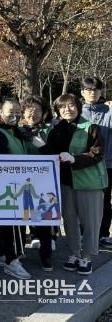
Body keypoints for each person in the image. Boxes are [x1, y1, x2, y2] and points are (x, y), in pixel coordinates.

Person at [40, 93, 107, 275]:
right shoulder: (56, 129)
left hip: (89, 183)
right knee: (69, 220)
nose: (67, 109)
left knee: (90, 222)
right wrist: (39, 144)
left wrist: (75, 159)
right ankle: (75, 253)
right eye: (62, 107)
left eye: (71, 105)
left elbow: (97, 153)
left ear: (78, 106)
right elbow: (51, 152)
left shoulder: (90, 127)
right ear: (57, 110)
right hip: (65, 182)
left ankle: (87, 257)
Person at [0, 98, 31, 279]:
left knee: (10, 224)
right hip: (7, 186)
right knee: (14, 225)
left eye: (17, 112)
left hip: (18, 184)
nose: (15, 115)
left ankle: (1, 254)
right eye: (10, 112)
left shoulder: (15, 131)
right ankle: (12, 261)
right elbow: (0, 163)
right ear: (0, 113)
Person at [19, 95, 55, 270]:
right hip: (20, 180)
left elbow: (56, 152)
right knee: (19, 217)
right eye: (29, 110)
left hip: (44, 180)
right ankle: (18, 252)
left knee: (43, 218)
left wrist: (43, 145)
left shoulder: (50, 129)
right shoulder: (17, 129)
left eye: (37, 110)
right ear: (23, 112)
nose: (33, 114)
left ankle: (45, 255)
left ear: (44, 113)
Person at [78, 78, 112, 249]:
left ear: (101, 92)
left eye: (96, 89)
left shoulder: (109, 112)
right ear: (82, 92)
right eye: (89, 89)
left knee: (105, 200)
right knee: (82, 200)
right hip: (82, 163)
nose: (92, 92)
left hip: (107, 164)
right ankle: (83, 233)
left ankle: (103, 234)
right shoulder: (76, 111)